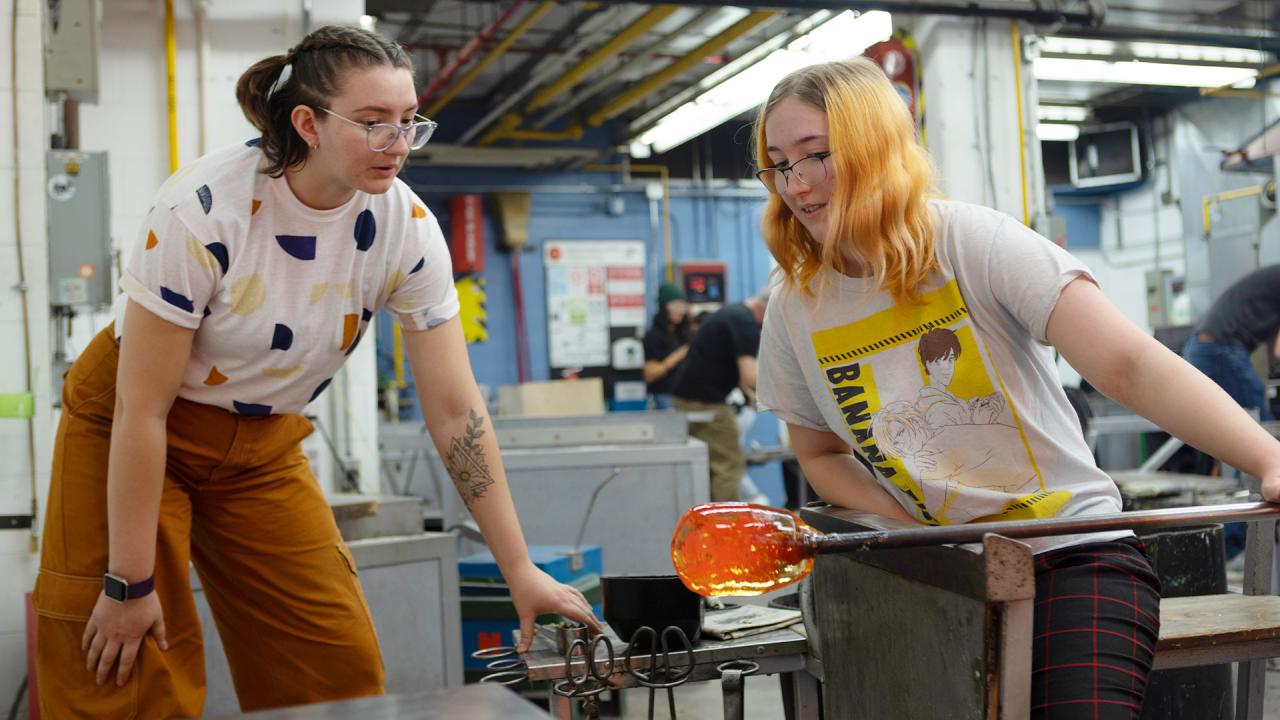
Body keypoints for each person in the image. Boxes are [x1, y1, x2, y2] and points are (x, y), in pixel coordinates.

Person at [32, 25, 599, 718]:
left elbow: (456, 414)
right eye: (372, 124)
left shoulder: (407, 231)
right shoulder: (202, 211)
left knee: (334, 668)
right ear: (308, 123)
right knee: (127, 667)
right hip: (133, 422)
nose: (397, 143)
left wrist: (519, 567)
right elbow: (141, 410)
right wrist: (125, 584)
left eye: (407, 122)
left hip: (259, 446)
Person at [751, 58, 1280, 718]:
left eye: (815, 155)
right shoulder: (796, 306)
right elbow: (821, 453)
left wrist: (1267, 459)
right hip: (944, 577)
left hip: (1073, 558)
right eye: (777, 164)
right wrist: (919, 541)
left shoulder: (969, 242)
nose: (795, 185)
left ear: (872, 148)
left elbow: (1126, 365)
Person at [1181, 264, 1280, 557]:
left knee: (1241, 447)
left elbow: (1272, 349)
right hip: (1221, 352)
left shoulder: (1271, 281)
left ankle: (1230, 543)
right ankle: (1235, 543)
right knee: (1262, 444)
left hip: (1201, 347)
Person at [672, 292, 768, 502]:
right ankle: (724, 527)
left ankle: (707, 524)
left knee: (709, 467)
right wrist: (795, 390)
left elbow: (740, 375)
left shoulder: (733, 313)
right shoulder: (745, 322)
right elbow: (751, 376)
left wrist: (751, 395)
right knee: (729, 465)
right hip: (704, 404)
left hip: (688, 399)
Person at [642, 282, 692, 410]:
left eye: (683, 306)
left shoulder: (684, 335)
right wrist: (679, 355)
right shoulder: (654, 336)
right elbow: (650, 374)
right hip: (665, 397)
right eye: (675, 306)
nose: (681, 311)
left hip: (688, 397)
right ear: (664, 308)